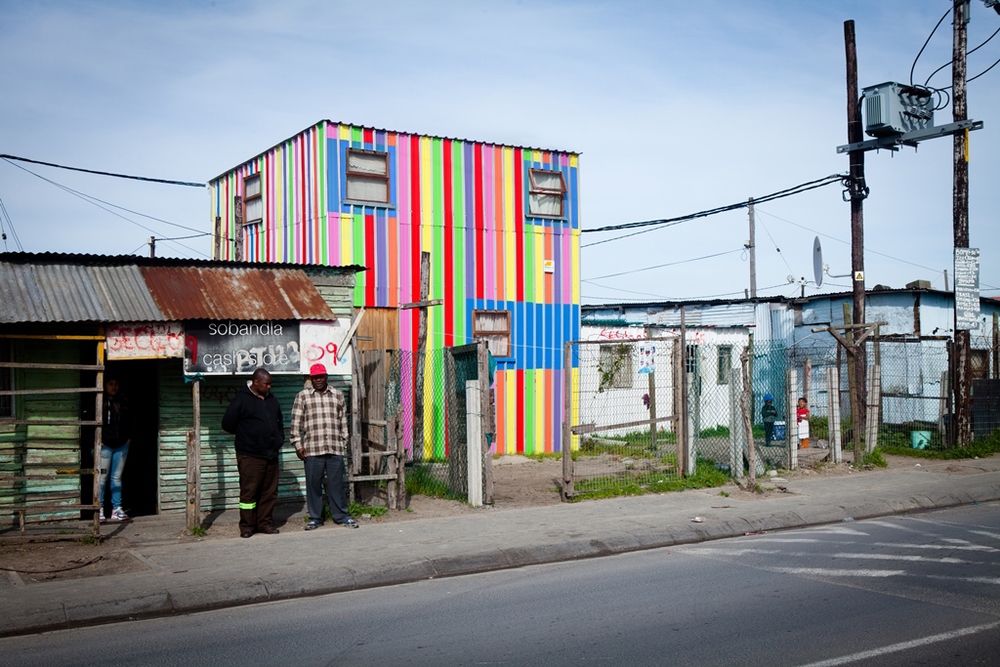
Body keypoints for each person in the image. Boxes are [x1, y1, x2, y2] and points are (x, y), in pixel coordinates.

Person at [290, 363, 358, 531]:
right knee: (313, 485)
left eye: (321, 376)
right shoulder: (303, 396)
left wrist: (344, 441)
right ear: (310, 379)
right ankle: (315, 518)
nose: (318, 380)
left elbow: (343, 420)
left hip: (334, 447)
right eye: (315, 377)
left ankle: (341, 516)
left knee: (336, 484)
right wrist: (298, 445)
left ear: (326, 376)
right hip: (312, 449)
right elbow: (295, 424)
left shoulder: (337, 395)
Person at [222, 368, 284, 538]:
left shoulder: (272, 400)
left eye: (270, 384)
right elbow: (227, 424)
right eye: (266, 384)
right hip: (250, 455)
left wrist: (279, 439)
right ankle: (247, 526)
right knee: (249, 491)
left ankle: (264, 523)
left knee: (269, 492)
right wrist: (248, 437)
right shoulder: (241, 400)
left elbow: (279, 422)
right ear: (256, 382)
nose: (269, 387)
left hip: (271, 454)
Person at [99, 376, 132, 523]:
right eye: (110, 384)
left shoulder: (123, 402)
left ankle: (116, 509)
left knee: (116, 478)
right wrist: (97, 440)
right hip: (105, 446)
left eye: (116, 384)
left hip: (121, 446)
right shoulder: (99, 402)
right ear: (105, 385)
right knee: (101, 478)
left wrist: (129, 437)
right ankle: (98, 509)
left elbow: (132, 420)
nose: (114, 387)